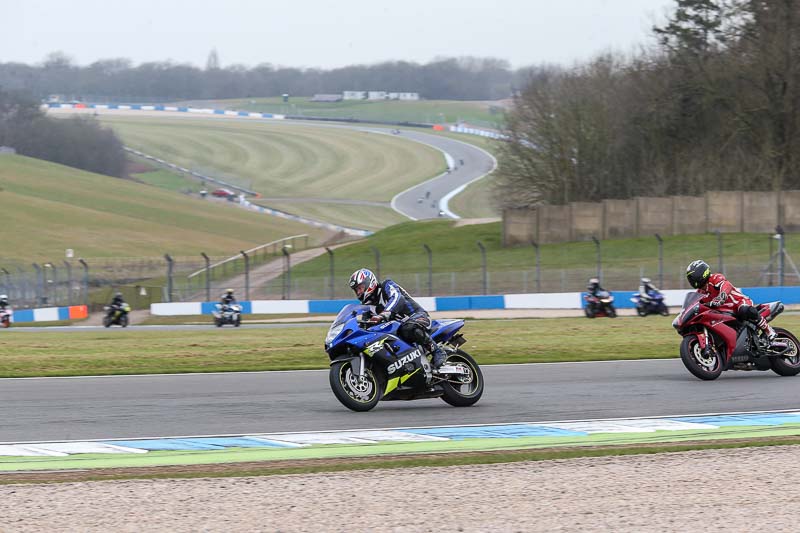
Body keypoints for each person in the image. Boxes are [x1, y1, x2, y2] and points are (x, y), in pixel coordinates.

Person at [348, 268, 448, 369]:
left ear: (370, 282)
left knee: (408, 328)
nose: (359, 292)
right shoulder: (368, 306)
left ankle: (437, 351)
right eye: (356, 290)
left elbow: (397, 298)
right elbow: (366, 325)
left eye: (360, 288)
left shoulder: (386, 285)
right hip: (397, 328)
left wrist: (384, 314)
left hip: (418, 317)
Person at [685, 259, 776, 342]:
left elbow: (726, 285)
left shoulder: (715, 278)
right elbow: (696, 303)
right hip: (724, 311)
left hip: (738, 302)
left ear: (701, 273)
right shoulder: (700, 292)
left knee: (744, 310)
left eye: (692, 277)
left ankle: (768, 330)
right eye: (690, 278)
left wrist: (721, 297)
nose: (691, 280)